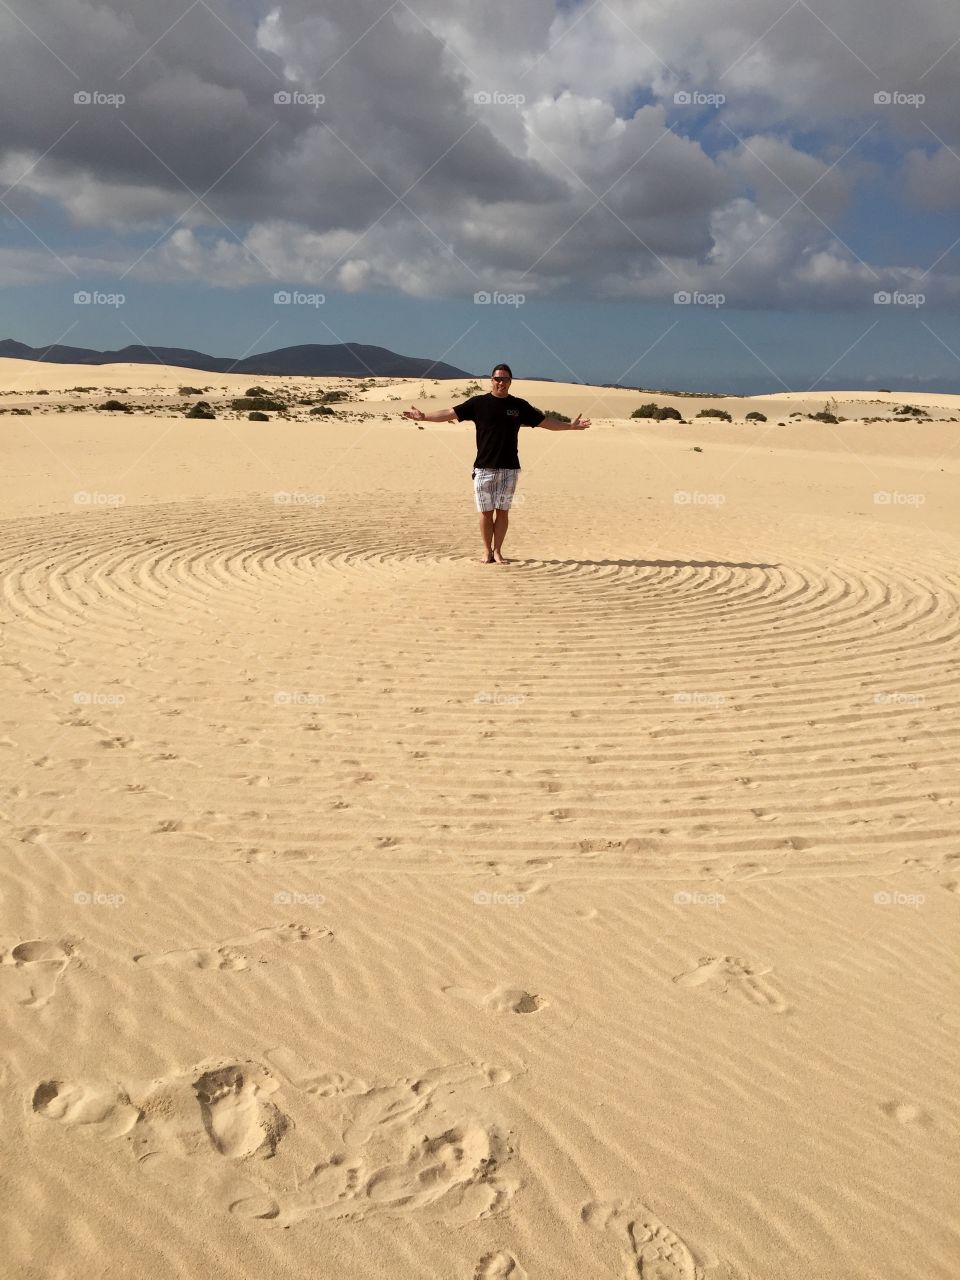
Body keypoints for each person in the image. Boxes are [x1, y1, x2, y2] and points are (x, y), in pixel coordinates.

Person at [402, 364, 591, 563]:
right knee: (485, 513)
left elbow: (545, 422)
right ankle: (487, 551)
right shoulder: (478, 403)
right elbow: (450, 413)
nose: (501, 382)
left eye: (505, 379)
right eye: (497, 379)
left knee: (502, 512)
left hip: (510, 469)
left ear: (510, 382)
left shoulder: (519, 406)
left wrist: (569, 426)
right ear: (491, 381)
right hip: (484, 468)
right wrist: (424, 417)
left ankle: (498, 551)